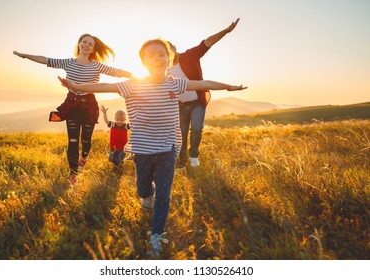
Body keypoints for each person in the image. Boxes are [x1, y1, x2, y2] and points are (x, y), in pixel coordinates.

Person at [58, 39, 247, 257]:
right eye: (152, 55)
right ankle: (147, 196)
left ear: (169, 59)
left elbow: (203, 83)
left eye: (162, 54)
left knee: (164, 196)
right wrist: (76, 86)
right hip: (142, 150)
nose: (158, 58)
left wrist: (227, 86)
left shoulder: (175, 83)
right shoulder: (132, 85)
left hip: (168, 148)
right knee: (143, 189)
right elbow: (102, 86)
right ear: (143, 62)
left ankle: (157, 235)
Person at [13, 34, 133, 186]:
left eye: (90, 44)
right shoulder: (68, 63)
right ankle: (73, 174)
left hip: (89, 106)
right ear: (79, 43)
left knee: (86, 141)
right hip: (72, 106)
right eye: (85, 42)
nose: (87, 45)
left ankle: (84, 157)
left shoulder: (96, 66)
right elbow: (45, 60)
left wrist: (138, 77)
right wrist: (24, 56)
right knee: (73, 141)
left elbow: (116, 72)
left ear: (93, 49)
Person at [167, 18, 240, 168]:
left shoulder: (189, 56)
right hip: (179, 106)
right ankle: (181, 162)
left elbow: (207, 43)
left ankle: (193, 155)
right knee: (180, 135)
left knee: (197, 129)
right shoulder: (165, 70)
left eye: (168, 49)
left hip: (197, 103)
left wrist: (226, 31)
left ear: (173, 48)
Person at [99, 105, 130, 171]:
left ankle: (119, 168)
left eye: (122, 120)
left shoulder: (125, 126)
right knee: (111, 159)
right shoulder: (113, 124)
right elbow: (106, 121)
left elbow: (133, 124)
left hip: (123, 148)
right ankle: (118, 165)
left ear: (125, 119)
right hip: (113, 147)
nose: (120, 121)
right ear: (115, 119)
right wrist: (104, 113)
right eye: (118, 119)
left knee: (119, 159)